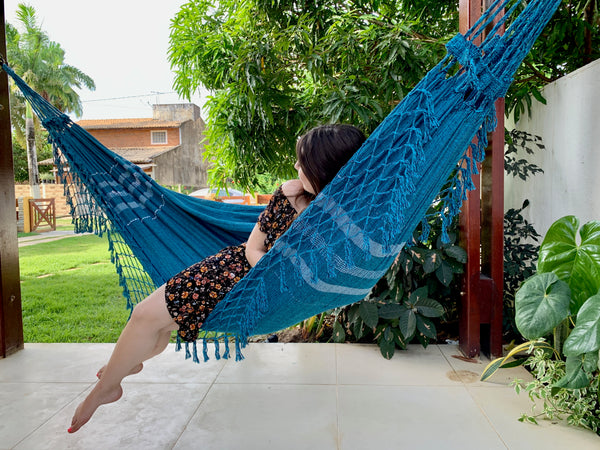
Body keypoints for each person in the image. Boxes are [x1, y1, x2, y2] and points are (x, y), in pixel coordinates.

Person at [68, 124, 366, 433]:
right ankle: (118, 375)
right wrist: (267, 277)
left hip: (259, 292)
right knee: (152, 322)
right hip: (232, 273)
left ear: (324, 167)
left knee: (152, 321)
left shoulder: (343, 220)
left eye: (302, 161)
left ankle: (112, 381)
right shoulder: (289, 193)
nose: (295, 166)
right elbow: (253, 247)